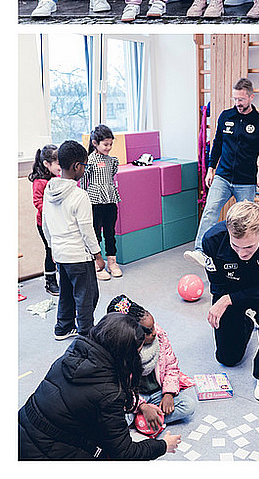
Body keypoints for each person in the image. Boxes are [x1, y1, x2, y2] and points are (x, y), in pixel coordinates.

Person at [18, 313, 180, 459]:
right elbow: (125, 453)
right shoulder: (109, 393)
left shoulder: (72, 354)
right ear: (126, 355)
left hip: (21, 428)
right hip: (45, 450)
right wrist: (163, 445)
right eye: (137, 352)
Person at [199, 201, 259, 401]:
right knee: (227, 359)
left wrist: (229, 300)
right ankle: (247, 323)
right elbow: (218, 287)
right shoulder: (212, 240)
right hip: (229, 290)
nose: (241, 253)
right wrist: (227, 300)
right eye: (235, 246)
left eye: (249, 246)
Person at [184, 77, 259, 269]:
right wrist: (210, 168)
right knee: (210, 211)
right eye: (235, 99)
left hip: (246, 181)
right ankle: (200, 251)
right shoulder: (225, 116)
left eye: (241, 99)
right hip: (222, 177)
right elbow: (217, 144)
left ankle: (248, 257)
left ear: (251, 97)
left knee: (247, 221)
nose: (237, 103)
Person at [41, 140, 104, 340]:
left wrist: (52, 247)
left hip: (60, 254)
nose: (85, 169)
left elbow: (45, 224)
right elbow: (87, 229)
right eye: (85, 165)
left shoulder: (49, 190)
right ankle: (86, 334)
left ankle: (63, 327)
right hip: (79, 255)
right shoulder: (80, 195)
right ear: (77, 166)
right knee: (87, 296)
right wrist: (98, 255)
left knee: (66, 292)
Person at [106, 294, 195, 427]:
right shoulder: (120, 350)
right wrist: (142, 406)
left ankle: (145, 420)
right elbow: (120, 386)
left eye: (153, 326)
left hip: (157, 393)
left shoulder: (159, 336)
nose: (154, 332)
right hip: (133, 397)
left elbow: (171, 366)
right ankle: (145, 417)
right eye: (148, 332)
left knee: (188, 406)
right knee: (121, 420)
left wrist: (168, 393)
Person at [84, 125, 122, 280]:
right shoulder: (90, 161)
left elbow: (111, 176)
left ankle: (112, 261)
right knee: (95, 234)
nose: (109, 147)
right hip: (95, 201)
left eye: (111, 144)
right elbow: (84, 181)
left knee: (110, 232)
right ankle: (97, 264)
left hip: (110, 199)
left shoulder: (112, 161)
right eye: (105, 144)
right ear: (95, 143)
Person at [29, 144, 60, 295]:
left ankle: (62, 279)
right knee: (50, 251)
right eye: (58, 163)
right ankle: (50, 282)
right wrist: (51, 210)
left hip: (57, 223)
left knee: (58, 250)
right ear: (47, 164)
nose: (61, 167)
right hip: (44, 224)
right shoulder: (39, 181)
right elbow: (37, 202)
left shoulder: (56, 178)